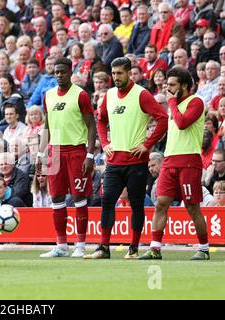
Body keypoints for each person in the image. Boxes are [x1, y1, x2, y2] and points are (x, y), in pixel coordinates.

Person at [85, 57, 168, 259]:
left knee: (136, 204)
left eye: (120, 73)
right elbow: (101, 121)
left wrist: (147, 145)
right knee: (107, 201)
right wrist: (105, 144)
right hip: (113, 161)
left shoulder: (141, 94)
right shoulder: (109, 95)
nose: (116, 77)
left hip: (136, 161)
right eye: (113, 74)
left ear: (129, 73)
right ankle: (103, 248)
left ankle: (133, 247)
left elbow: (163, 119)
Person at [139, 67, 210, 261]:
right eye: (166, 85)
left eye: (172, 85)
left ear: (184, 85)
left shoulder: (196, 102)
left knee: (192, 206)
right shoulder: (174, 105)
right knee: (161, 203)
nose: (167, 88)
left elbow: (182, 123)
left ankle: (203, 249)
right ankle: (155, 248)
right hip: (170, 160)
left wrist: (171, 102)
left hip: (189, 160)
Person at [36, 57, 97, 258]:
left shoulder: (81, 95)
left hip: (76, 151)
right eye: (56, 72)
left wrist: (89, 154)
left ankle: (80, 245)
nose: (59, 75)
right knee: (57, 198)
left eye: (63, 72)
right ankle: (61, 245)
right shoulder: (48, 95)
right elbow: (47, 126)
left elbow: (91, 125)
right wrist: (40, 153)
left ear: (70, 72)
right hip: (55, 152)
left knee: (79, 198)